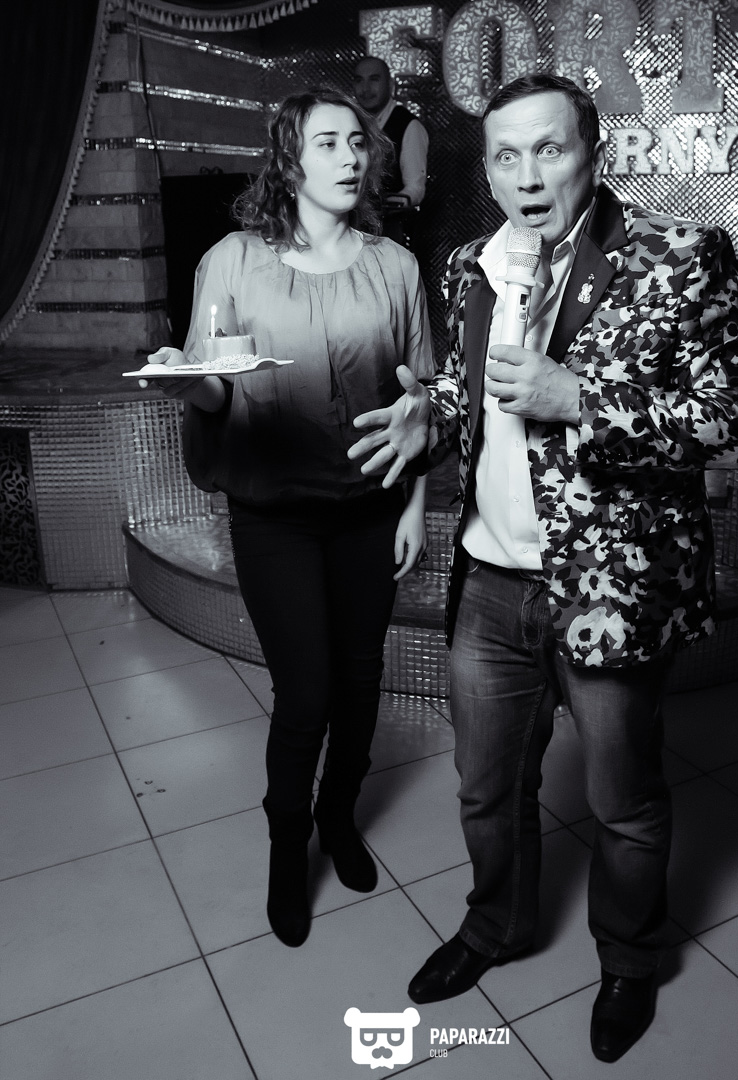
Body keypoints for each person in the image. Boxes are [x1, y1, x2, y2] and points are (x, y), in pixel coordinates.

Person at [349, 74, 738, 1063]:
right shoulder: (467, 264)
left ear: (593, 154)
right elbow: (469, 391)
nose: (527, 176)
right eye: (506, 155)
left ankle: (628, 958)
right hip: (489, 581)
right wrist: (428, 413)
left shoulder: (677, 254)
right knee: (485, 787)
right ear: (486, 170)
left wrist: (579, 397)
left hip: (612, 588)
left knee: (624, 801)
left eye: (549, 149)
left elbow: (731, 419)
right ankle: (495, 924)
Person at [141, 88, 434, 949]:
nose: (350, 156)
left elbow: (424, 399)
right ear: (289, 160)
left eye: (358, 142)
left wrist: (415, 504)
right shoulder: (231, 260)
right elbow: (215, 385)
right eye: (328, 142)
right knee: (306, 692)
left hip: (370, 509)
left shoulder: (396, 266)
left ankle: (339, 815)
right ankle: (286, 844)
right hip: (274, 516)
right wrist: (183, 381)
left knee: (361, 683)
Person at [353, 56, 429, 251]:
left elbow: (415, 188)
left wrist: (385, 206)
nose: (365, 88)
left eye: (374, 79)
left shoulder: (408, 125)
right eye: (359, 80)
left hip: (390, 234)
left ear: (390, 85)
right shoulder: (351, 124)